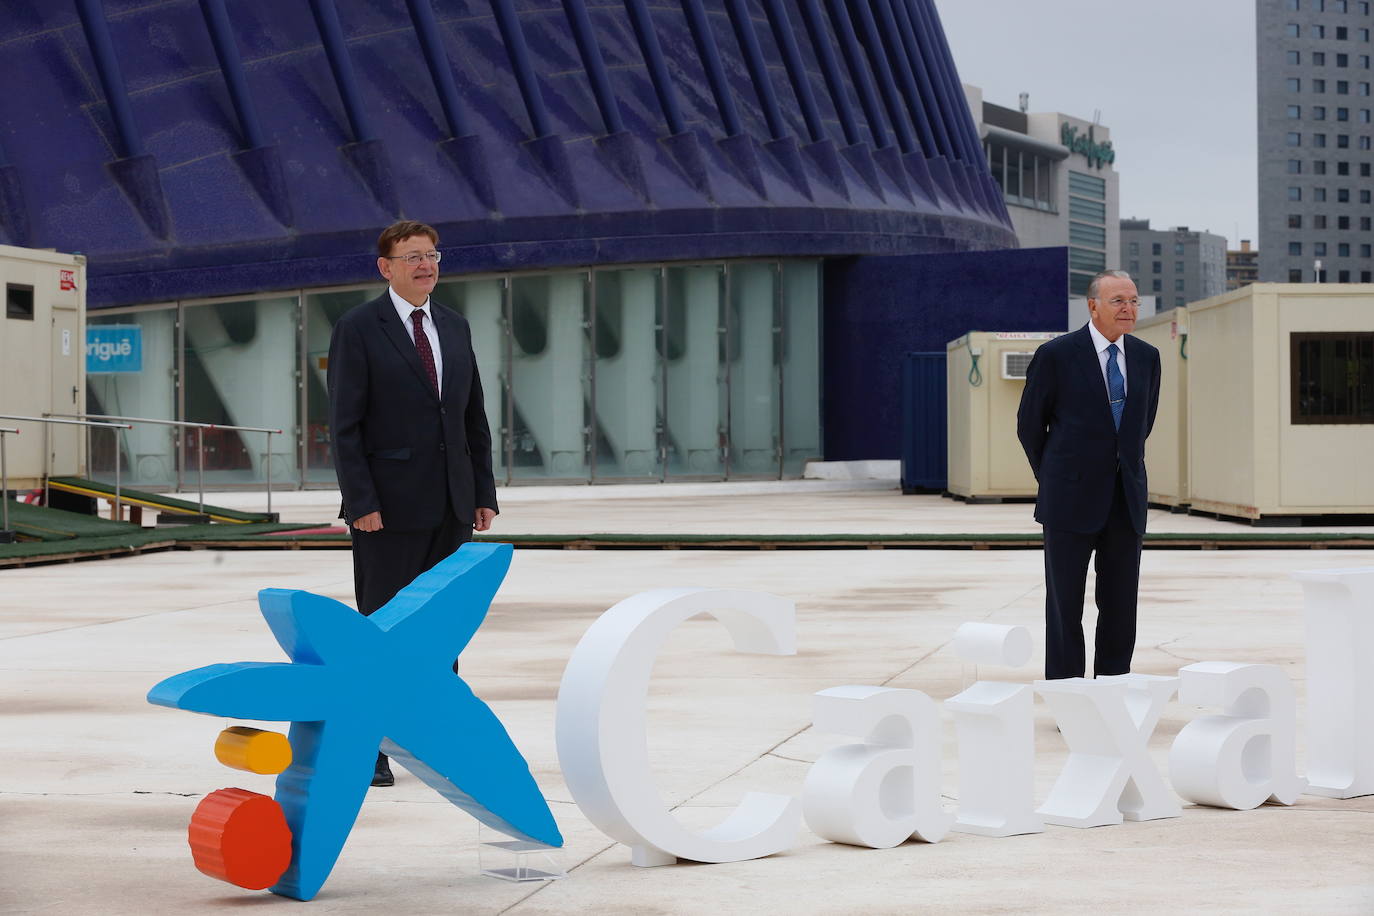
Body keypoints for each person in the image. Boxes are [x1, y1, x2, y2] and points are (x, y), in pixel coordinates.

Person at [328, 220, 499, 785]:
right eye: (412, 257)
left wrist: (482, 492)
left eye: (431, 255)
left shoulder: (454, 325)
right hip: (386, 510)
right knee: (379, 626)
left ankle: (437, 737)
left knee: (443, 628)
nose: (425, 265)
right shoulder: (358, 328)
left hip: (452, 505)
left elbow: (471, 416)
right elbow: (345, 426)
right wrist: (360, 501)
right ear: (386, 267)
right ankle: (368, 744)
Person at [1016, 269, 1160, 681]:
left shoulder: (1148, 357)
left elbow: (1140, 426)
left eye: (1133, 301)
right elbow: (1030, 425)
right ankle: (1069, 697)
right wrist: (1057, 479)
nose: (1128, 309)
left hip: (1125, 501)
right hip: (1069, 502)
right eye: (1118, 301)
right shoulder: (1057, 355)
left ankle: (1114, 689)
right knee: (1065, 607)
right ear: (1093, 305)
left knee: (1120, 606)